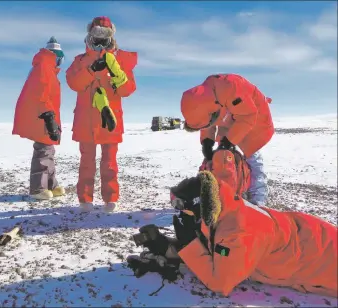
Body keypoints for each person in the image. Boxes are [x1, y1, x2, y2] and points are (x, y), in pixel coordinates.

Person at [127, 171, 338, 298]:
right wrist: (168, 246)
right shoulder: (221, 207)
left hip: (322, 260)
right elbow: (215, 250)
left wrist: (187, 243)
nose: (177, 210)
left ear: (199, 205)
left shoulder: (238, 233)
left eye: (181, 205)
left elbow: (221, 282)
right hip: (309, 236)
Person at [66, 16, 137, 212]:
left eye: (104, 34)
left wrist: (117, 74)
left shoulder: (120, 60)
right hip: (86, 120)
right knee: (86, 162)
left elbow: (128, 89)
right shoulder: (80, 61)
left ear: (111, 35)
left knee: (110, 163)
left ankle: (111, 198)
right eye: (96, 34)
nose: (99, 39)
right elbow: (74, 83)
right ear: (89, 34)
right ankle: (85, 199)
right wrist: (90, 71)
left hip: (110, 119)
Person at [181, 74, 274, 206]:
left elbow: (248, 116)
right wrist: (207, 141)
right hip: (229, 119)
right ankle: (225, 191)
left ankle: (259, 197)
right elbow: (207, 123)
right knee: (223, 158)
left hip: (255, 117)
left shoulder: (231, 87)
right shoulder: (204, 99)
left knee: (253, 156)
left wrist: (229, 141)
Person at [13, 36, 65, 200]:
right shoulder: (44, 67)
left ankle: (51, 184)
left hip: (48, 114)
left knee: (48, 150)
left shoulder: (46, 67)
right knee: (43, 151)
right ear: (57, 57)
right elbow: (41, 94)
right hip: (43, 116)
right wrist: (49, 118)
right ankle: (38, 188)